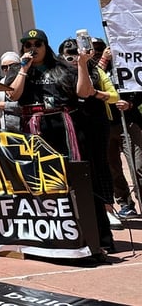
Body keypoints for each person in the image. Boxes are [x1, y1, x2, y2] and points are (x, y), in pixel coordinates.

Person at [58, 37, 117, 252]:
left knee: (101, 168)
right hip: (74, 127)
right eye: (68, 54)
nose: (73, 58)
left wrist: (96, 93)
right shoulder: (61, 73)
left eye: (76, 52)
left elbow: (113, 95)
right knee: (81, 173)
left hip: (97, 124)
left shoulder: (94, 70)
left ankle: (108, 212)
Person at [4, 29, 86, 159]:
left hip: (61, 122)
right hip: (32, 123)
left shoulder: (62, 67)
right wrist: (23, 69)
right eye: (28, 45)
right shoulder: (16, 69)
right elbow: (13, 96)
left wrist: (83, 65)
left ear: (45, 47)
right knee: (39, 168)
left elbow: (82, 93)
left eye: (37, 44)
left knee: (68, 165)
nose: (33, 48)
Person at [97, 43, 142, 219]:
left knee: (138, 166)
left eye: (101, 48)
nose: (98, 52)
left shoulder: (124, 65)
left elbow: (138, 88)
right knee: (113, 167)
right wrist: (104, 59)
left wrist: (129, 103)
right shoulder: (94, 69)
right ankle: (125, 203)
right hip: (107, 125)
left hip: (129, 123)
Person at [0, 51, 21, 130]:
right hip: (5, 128)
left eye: (12, 66)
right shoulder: (1, 82)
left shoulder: (23, 80)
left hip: (22, 127)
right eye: (4, 67)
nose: (8, 69)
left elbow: (24, 104)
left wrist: (3, 105)